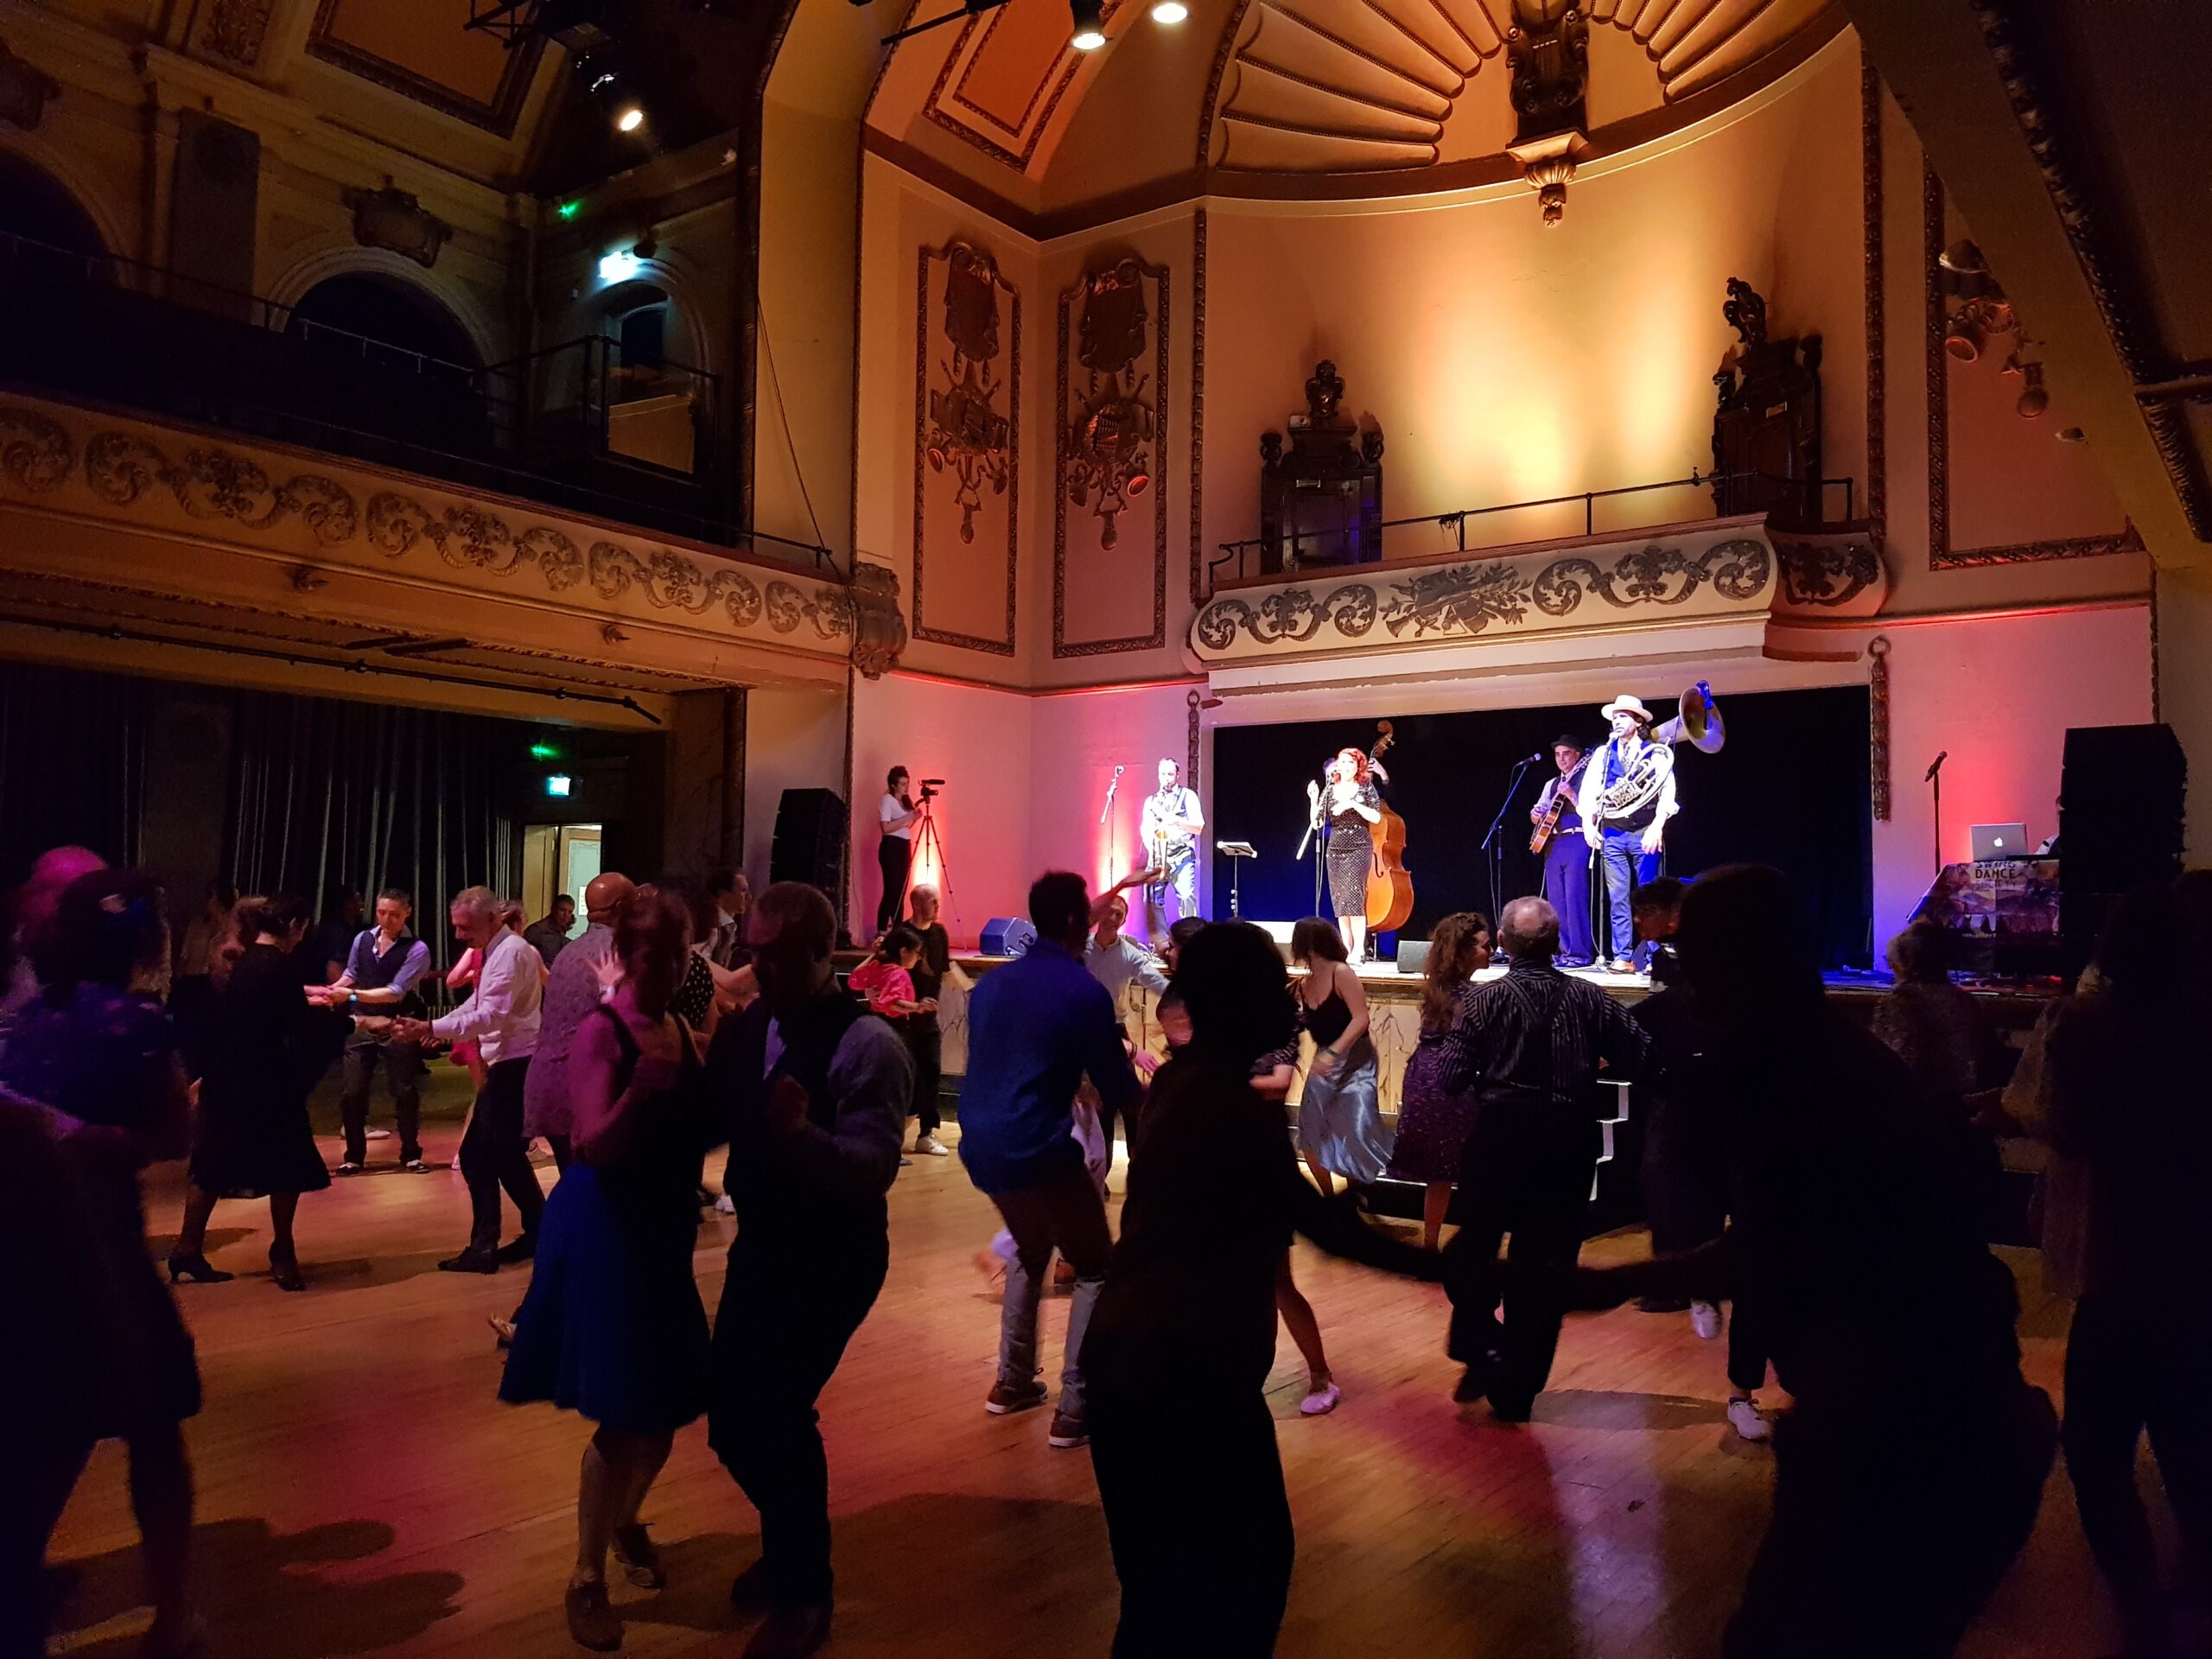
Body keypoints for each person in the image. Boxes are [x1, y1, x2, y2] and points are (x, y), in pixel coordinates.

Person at [1548, 865, 2055, 1656]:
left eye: (1700, 957)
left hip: (1916, 1432)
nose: (1687, 976)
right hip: (1927, 1423)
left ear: (1747, 962)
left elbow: (1771, 1250)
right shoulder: (1813, 1055)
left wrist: (1607, 1282)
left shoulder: (1801, 1075)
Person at [1084, 920, 1442, 1656]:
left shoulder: (1183, 1086)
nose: (1288, 1002)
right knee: (1241, 1580)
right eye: (1271, 987)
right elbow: (1336, 1234)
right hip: (1184, 1376)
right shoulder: (1224, 1105)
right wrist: (1489, 1273)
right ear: (1243, 1002)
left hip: (1139, 1365)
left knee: (1160, 1596)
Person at [500, 886, 712, 1653]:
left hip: (660, 1231)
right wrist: (639, 1094)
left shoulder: (680, 1029)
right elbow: (591, 1142)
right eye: (650, 956)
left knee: (667, 1405)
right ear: (624, 955)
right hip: (608, 1230)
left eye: (676, 956)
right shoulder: (604, 1031)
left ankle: (622, 1521)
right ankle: (586, 1576)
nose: (664, 969)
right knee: (626, 1411)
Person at [704, 882, 909, 1659]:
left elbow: (874, 1168)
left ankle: (804, 1592)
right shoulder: (751, 1025)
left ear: (826, 953)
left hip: (833, 1255)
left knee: (778, 1413)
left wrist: (801, 1137)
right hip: (765, 1244)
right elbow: (716, 1116)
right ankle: (791, 1544)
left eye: (779, 954)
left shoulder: (867, 1044)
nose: (760, 967)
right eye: (754, 952)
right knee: (732, 1420)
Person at [0, 870, 202, 1656]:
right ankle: (172, 1618)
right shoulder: (139, 1024)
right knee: (151, 1431)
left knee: (44, 1443)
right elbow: (174, 1136)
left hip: (27, 1254)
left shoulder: (27, 1019)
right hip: (103, 1252)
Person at [2044, 879, 2212, 1657]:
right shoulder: (2200, 1023)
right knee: (2188, 1433)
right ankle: (2199, 1568)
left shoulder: (2084, 1024)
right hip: (2195, 1261)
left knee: (2096, 1450)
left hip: (2119, 1265)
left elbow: (2069, 1132)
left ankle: (2139, 1604)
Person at [1438, 895, 1649, 1420]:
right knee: (1547, 1267)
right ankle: (1517, 1392)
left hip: (1500, 1138)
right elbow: (1642, 1055)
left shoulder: (1483, 1002)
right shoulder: (1590, 998)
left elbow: (1451, 1077)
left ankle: (1481, 1344)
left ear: (1503, 944)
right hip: (1567, 1140)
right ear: (1556, 943)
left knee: (1472, 1252)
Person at [959, 871, 1142, 1451]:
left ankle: (1012, 1382)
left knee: (1031, 1249)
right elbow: (1118, 1084)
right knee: (1095, 1265)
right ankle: (1077, 1407)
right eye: (1086, 914)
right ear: (1071, 921)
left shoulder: (991, 987)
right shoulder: (1082, 989)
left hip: (981, 1144)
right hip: (1037, 1142)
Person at [170, 893, 352, 1291]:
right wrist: (347, 1021)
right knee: (287, 1163)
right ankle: (283, 1252)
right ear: (295, 926)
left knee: (213, 1162)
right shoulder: (279, 964)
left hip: (228, 1074)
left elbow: (257, 1011)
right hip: (264, 1078)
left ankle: (188, 1248)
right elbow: (297, 1025)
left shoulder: (248, 959)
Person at [395, 887, 546, 1274]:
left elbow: (491, 1015)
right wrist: (438, 1027)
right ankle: (538, 1233)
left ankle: (488, 1247)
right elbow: (477, 1003)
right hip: (510, 1063)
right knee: (504, 1155)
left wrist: (431, 1027)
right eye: (457, 927)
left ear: (493, 918)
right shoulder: (497, 949)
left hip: (515, 1064)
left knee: (480, 1156)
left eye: (466, 927)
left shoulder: (510, 952)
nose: (459, 935)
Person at [1387, 911, 1492, 1249]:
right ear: (1464, 952)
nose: (1491, 951)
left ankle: (1432, 1245)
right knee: (1465, 1165)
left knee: (1441, 1172)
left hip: (1424, 1075)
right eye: (1484, 946)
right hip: (1451, 1081)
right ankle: (1471, 1248)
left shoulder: (1438, 987)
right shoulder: (1473, 996)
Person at [524, 872, 637, 1174]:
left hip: (546, 1082)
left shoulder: (569, 951)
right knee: (599, 1185)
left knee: (575, 1179)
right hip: (584, 1089)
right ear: (622, 907)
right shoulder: (620, 951)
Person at [326, 887, 433, 1174]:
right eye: (381, 913)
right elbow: (351, 974)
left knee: (403, 1090)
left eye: (394, 915)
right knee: (353, 1091)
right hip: (361, 1023)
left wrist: (349, 996)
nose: (386, 920)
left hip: (397, 1024)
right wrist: (329, 992)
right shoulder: (363, 939)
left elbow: (395, 992)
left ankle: (411, 1153)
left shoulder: (417, 949)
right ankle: (354, 1156)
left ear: (408, 913)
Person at [1290, 917, 1390, 1198]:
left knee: (1353, 1131)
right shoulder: (1303, 985)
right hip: (1325, 1064)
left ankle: (1354, 1196)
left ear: (1307, 947)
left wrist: (1333, 1053)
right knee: (1309, 1135)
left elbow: (1361, 1019)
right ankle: (1329, 1198)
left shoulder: (1341, 973)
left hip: (1356, 1062)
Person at [1577, 695, 1676, 975]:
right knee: (1617, 897)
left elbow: (1667, 790)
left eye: (1623, 716)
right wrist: (1588, 825)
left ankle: (1655, 956)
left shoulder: (1654, 752)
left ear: (1638, 721)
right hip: (1613, 831)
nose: (1617, 721)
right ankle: (1622, 956)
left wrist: (1657, 826)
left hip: (1645, 829)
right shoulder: (1603, 753)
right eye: (1615, 717)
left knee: (1650, 897)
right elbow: (1589, 791)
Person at [1873, 919, 1992, 1116]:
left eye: (1891, 963)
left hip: (1915, 1115)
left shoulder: (1899, 1004)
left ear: (1906, 964)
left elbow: (1888, 1072)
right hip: (1965, 1115)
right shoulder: (1968, 1002)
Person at [1313, 748, 1384, 963]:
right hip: (1336, 847)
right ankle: (1346, 947)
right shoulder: (1330, 789)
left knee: (1354, 896)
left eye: (1350, 762)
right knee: (1340, 899)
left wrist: (1352, 804)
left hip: (1359, 845)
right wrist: (1313, 800)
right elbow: (1317, 823)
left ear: (1357, 767)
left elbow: (1376, 817)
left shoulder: (1366, 787)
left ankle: (1359, 950)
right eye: (1342, 762)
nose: (1345, 766)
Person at [1530, 737, 1594, 966]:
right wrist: (1536, 814)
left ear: (1577, 755)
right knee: (1556, 900)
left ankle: (1580, 953)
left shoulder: (1587, 779)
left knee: (1575, 896)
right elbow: (1538, 813)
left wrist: (1571, 795)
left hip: (1577, 839)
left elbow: (1592, 812)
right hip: (1553, 842)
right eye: (1557, 754)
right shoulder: (1552, 783)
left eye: (1566, 753)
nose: (1561, 758)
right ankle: (1563, 951)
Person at [902, 884, 954, 1156]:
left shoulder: (939, 934)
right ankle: (894, 1133)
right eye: (933, 901)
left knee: (932, 1071)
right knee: (906, 1076)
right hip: (903, 1021)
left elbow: (945, 969)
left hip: (928, 1020)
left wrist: (971, 990)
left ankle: (926, 1133)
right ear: (917, 904)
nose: (938, 906)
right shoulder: (902, 935)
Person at [1137, 757, 1204, 939]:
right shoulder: (1151, 802)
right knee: (1152, 899)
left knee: (1186, 896)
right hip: (1158, 857)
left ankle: (1191, 940)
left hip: (1181, 854)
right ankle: (1163, 942)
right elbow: (1145, 829)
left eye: (1170, 774)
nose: (1166, 779)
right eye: (1162, 774)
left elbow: (1198, 827)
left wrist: (1174, 819)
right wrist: (1154, 849)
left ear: (1178, 775)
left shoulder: (1188, 796)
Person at [172, 878, 234, 1020]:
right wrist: (178, 984)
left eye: (211, 896)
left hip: (214, 987)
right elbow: (185, 956)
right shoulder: (197, 925)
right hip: (191, 983)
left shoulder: (231, 928)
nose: (207, 901)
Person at [876, 766, 918, 934]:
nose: (906, 787)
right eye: (902, 784)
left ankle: (897, 929)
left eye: (907, 783)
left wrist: (914, 817)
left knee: (901, 890)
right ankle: (881, 929)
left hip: (904, 845)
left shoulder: (906, 802)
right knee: (891, 889)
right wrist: (908, 817)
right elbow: (886, 827)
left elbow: (905, 828)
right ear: (893, 785)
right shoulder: (887, 800)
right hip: (891, 846)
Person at [1631, 874, 1688, 986]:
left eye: (1646, 912)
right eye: (1637, 912)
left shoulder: (1700, 954)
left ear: (1674, 914)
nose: (1636, 919)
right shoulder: (1662, 957)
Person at [309, 885, 364, 982]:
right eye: (355, 900)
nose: (361, 904)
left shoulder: (351, 929)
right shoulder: (338, 932)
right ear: (346, 904)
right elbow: (334, 969)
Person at [707, 869, 752, 971]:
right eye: (743, 891)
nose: (749, 897)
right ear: (723, 893)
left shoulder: (728, 926)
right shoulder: (710, 925)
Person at [526, 894, 578, 969]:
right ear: (553, 909)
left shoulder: (561, 931)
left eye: (570, 912)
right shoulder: (536, 931)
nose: (566, 915)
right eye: (562, 910)